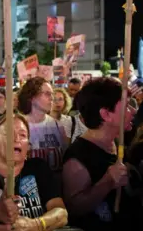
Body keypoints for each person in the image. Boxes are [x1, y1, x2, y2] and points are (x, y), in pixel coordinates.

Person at [62, 77, 141, 231]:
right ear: (105, 114)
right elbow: (74, 209)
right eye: (126, 106)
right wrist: (107, 181)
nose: (133, 111)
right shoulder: (78, 156)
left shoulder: (118, 141)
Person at [18, 77, 69, 173]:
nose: (52, 98)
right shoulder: (18, 126)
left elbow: (66, 160)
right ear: (32, 97)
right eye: (47, 94)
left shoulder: (58, 126)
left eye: (52, 94)